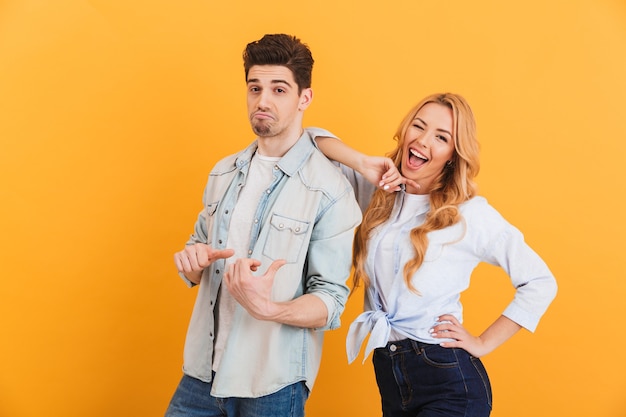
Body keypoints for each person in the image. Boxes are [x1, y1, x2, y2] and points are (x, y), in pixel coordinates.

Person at [165, 34, 390, 417]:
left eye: (279, 89)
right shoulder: (222, 172)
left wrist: (268, 308)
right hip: (201, 376)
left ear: (305, 98)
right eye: (255, 88)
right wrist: (193, 260)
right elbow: (198, 246)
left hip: (271, 384)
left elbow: (330, 303)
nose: (262, 101)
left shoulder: (330, 191)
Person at [315, 92, 558, 417]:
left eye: (441, 137)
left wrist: (483, 343)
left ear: (453, 156)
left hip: (447, 379)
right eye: (418, 126)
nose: (423, 140)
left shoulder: (469, 214)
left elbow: (540, 282)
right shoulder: (378, 193)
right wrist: (362, 162)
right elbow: (312, 139)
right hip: (390, 372)